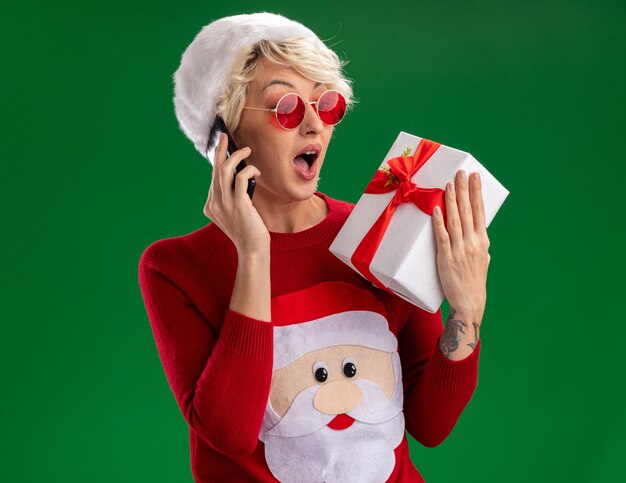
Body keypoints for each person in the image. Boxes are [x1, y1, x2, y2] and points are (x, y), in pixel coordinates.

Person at [138, 12, 490, 483]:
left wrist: (466, 313)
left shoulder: (380, 227)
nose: (312, 125)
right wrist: (254, 254)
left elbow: (430, 425)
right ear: (227, 136)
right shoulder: (174, 268)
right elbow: (229, 433)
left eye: (325, 104)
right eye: (285, 106)